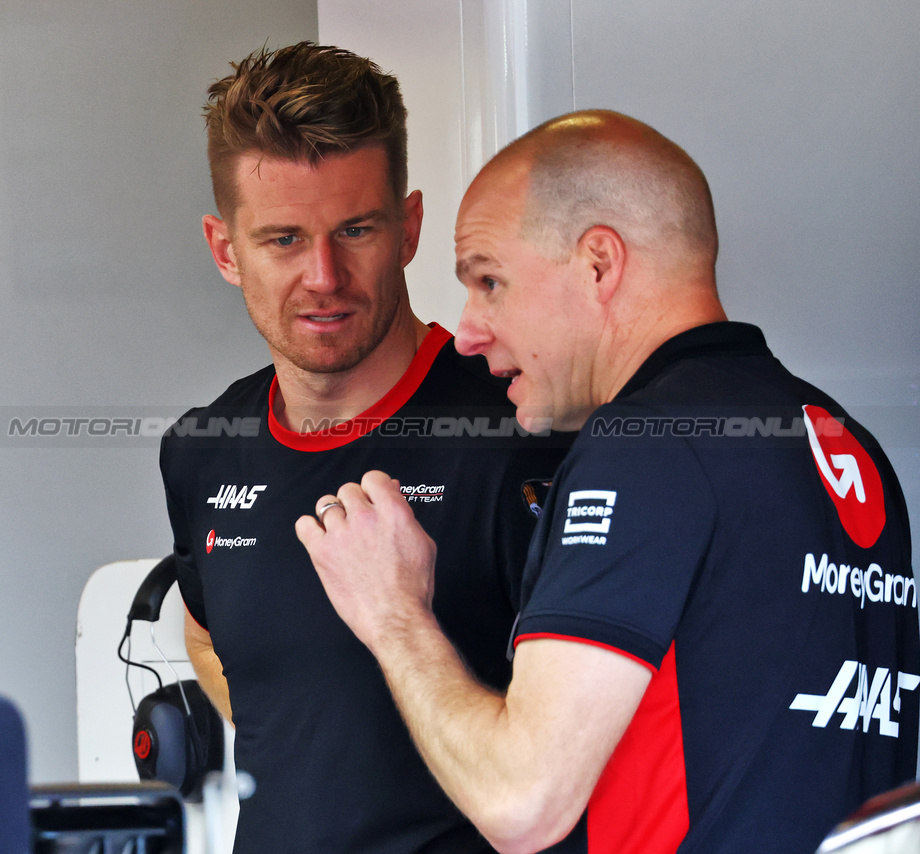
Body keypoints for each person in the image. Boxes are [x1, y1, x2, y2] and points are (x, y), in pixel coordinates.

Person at [297, 110, 919, 854]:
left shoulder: (644, 446)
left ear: (599, 263)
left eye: (489, 280)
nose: (467, 330)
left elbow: (520, 800)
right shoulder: (841, 439)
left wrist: (393, 613)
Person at [159, 42, 568, 854]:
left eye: (356, 229)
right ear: (224, 250)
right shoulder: (203, 450)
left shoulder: (524, 430)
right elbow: (206, 632)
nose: (324, 275)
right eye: (282, 239)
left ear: (409, 228)